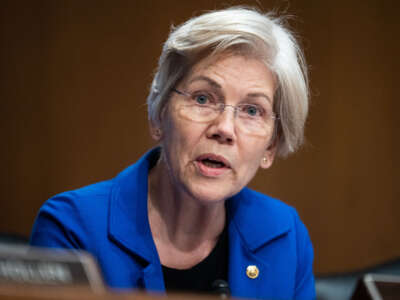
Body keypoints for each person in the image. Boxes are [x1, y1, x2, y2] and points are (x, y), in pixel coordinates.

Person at [30, 6, 315, 300]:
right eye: (203, 98)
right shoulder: (73, 229)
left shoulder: (284, 236)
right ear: (158, 115)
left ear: (270, 146)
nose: (224, 128)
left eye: (252, 110)